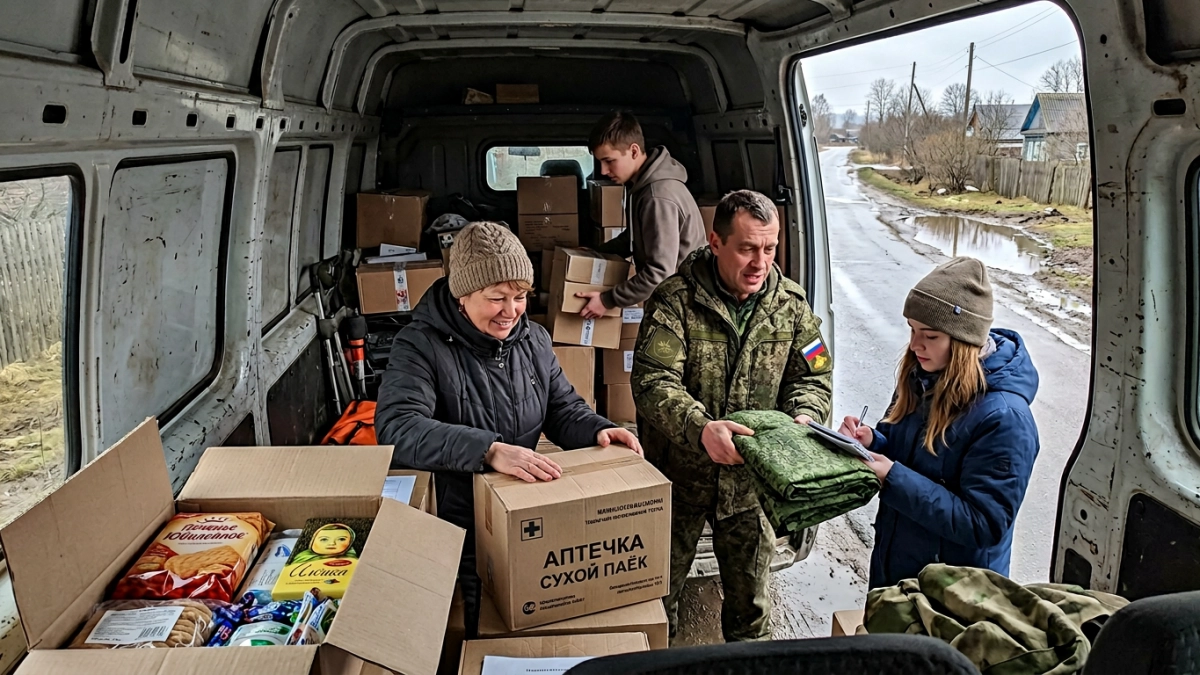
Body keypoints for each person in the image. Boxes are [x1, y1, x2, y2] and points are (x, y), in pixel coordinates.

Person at [374, 222, 642, 635]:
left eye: (520, 297)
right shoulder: (420, 345)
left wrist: (598, 430)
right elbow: (398, 427)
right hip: (457, 524)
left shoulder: (533, 339)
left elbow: (562, 407)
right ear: (462, 295)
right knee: (476, 625)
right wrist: (488, 450)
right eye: (496, 298)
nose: (511, 311)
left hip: (526, 514)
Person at [631, 189, 833, 642]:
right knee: (655, 602)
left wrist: (804, 417)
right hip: (680, 480)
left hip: (749, 488)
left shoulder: (792, 306)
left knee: (751, 613)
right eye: (747, 248)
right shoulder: (674, 302)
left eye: (770, 248)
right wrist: (700, 428)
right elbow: (652, 381)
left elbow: (814, 376)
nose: (760, 262)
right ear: (716, 242)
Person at [836, 257, 1040, 589]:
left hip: (954, 594)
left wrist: (892, 476)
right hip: (898, 568)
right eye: (912, 330)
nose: (915, 345)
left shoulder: (1005, 419)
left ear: (963, 340)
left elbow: (984, 524)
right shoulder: (921, 377)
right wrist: (871, 441)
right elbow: (905, 449)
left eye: (930, 335)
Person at [577, 112, 705, 319]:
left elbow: (660, 274)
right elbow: (634, 239)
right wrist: (596, 253)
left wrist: (607, 300)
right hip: (674, 301)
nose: (603, 170)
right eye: (600, 162)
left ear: (634, 151)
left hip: (686, 308)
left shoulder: (657, 196)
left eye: (609, 161)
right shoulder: (642, 187)